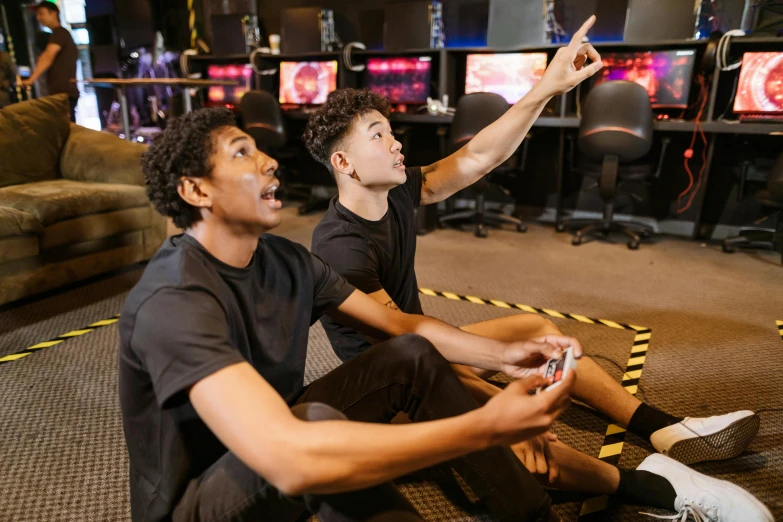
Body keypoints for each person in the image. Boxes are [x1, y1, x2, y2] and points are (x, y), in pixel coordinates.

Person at [122, 95, 772, 522]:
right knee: (331, 427)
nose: (267, 157)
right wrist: (486, 425)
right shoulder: (175, 298)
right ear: (194, 188)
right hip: (203, 502)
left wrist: (504, 355)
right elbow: (286, 455)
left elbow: (401, 327)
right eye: (242, 152)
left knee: (409, 358)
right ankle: (637, 484)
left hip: (285, 435)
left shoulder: (287, 260)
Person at [305, 15, 768, 516]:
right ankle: (657, 490)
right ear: (343, 164)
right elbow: (406, 340)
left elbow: (480, 155)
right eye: (378, 136)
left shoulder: (396, 193)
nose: (396, 143)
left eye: (391, 132)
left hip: (425, 350)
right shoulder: (340, 247)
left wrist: (546, 88)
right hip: (396, 389)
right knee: (512, 430)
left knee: (536, 329)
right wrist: (496, 384)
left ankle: (662, 429)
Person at [20, 1, 79, 121]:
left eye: (41, 13)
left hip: (63, 95)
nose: (38, 18)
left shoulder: (60, 33)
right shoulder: (59, 34)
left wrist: (31, 79)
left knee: (64, 133)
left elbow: (48, 55)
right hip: (63, 95)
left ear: (53, 13)